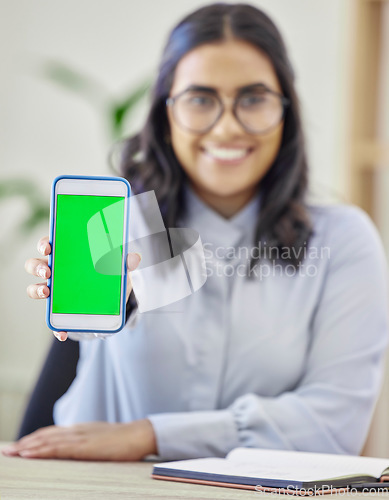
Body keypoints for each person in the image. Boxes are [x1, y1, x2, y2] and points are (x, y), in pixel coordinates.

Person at [3, 3, 388, 461]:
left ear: (285, 110)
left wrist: (150, 435)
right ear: (166, 112)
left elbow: (332, 425)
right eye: (201, 99)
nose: (227, 127)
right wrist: (104, 319)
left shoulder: (343, 241)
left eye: (253, 98)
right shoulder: (117, 226)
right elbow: (82, 422)